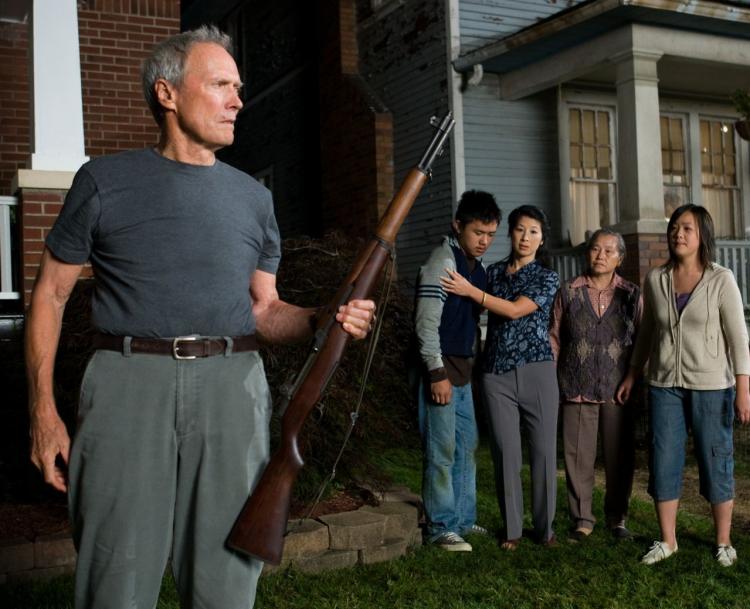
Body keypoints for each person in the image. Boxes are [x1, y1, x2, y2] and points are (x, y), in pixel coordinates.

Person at [25, 26, 375, 609]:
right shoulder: (103, 182)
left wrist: (322, 319)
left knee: (226, 581)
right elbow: (50, 296)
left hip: (232, 388)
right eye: (221, 85)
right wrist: (43, 410)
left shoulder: (254, 199)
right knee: (116, 576)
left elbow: (263, 310)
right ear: (167, 94)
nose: (239, 99)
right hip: (126, 384)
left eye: (239, 87)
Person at [617, 204, 750, 567]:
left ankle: (723, 542)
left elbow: (738, 337)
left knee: (715, 461)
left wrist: (743, 388)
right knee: (664, 459)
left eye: (687, 228)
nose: (678, 234)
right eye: (675, 227)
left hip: (712, 386)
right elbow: (646, 333)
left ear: (702, 235)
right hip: (664, 386)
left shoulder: (721, 279)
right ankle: (668, 540)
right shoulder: (656, 279)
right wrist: (632, 373)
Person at [441, 205, 559, 549]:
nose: (526, 237)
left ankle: (545, 528)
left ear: (541, 238)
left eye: (533, 231)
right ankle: (512, 531)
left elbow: (514, 309)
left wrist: (470, 291)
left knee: (542, 453)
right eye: (520, 229)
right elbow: (473, 309)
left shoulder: (546, 277)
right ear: (511, 233)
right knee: (505, 453)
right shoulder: (491, 272)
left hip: (537, 371)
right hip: (495, 374)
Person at [414, 190, 500, 552]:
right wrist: (436, 373)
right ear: (458, 226)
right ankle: (441, 526)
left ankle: (463, 519)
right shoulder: (442, 262)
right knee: (442, 449)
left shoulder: (476, 270)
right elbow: (425, 323)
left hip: (464, 371)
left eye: (491, 235)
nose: (484, 241)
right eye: (478, 232)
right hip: (442, 370)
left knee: (467, 445)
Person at [549, 229, 641, 542]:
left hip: (619, 389)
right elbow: (554, 338)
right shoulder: (569, 291)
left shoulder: (632, 295)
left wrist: (632, 376)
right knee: (577, 457)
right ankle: (582, 520)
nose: (600, 256)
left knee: (620, 457)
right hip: (576, 382)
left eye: (608, 250)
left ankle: (617, 519)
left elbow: (642, 341)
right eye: (595, 249)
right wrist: (552, 377)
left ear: (620, 258)